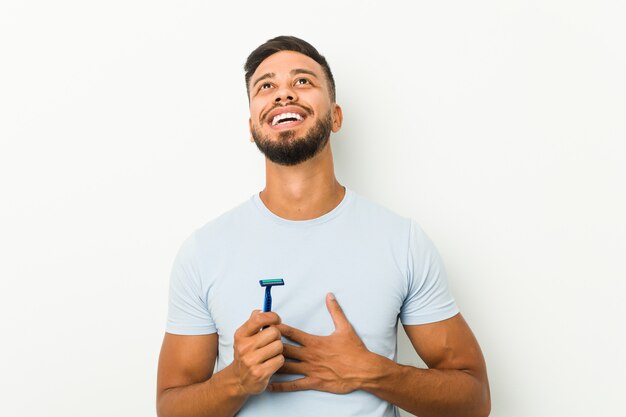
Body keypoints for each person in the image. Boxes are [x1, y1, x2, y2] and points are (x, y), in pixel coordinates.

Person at [156, 35, 491, 417]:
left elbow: (475, 400)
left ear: (335, 116)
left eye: (302, 82)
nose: (283, 94)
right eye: (266, 86)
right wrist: (236, 380)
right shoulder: (204, 251)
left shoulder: (402, 241)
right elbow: (169, 408)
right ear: (251, 126)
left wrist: (372, 372)